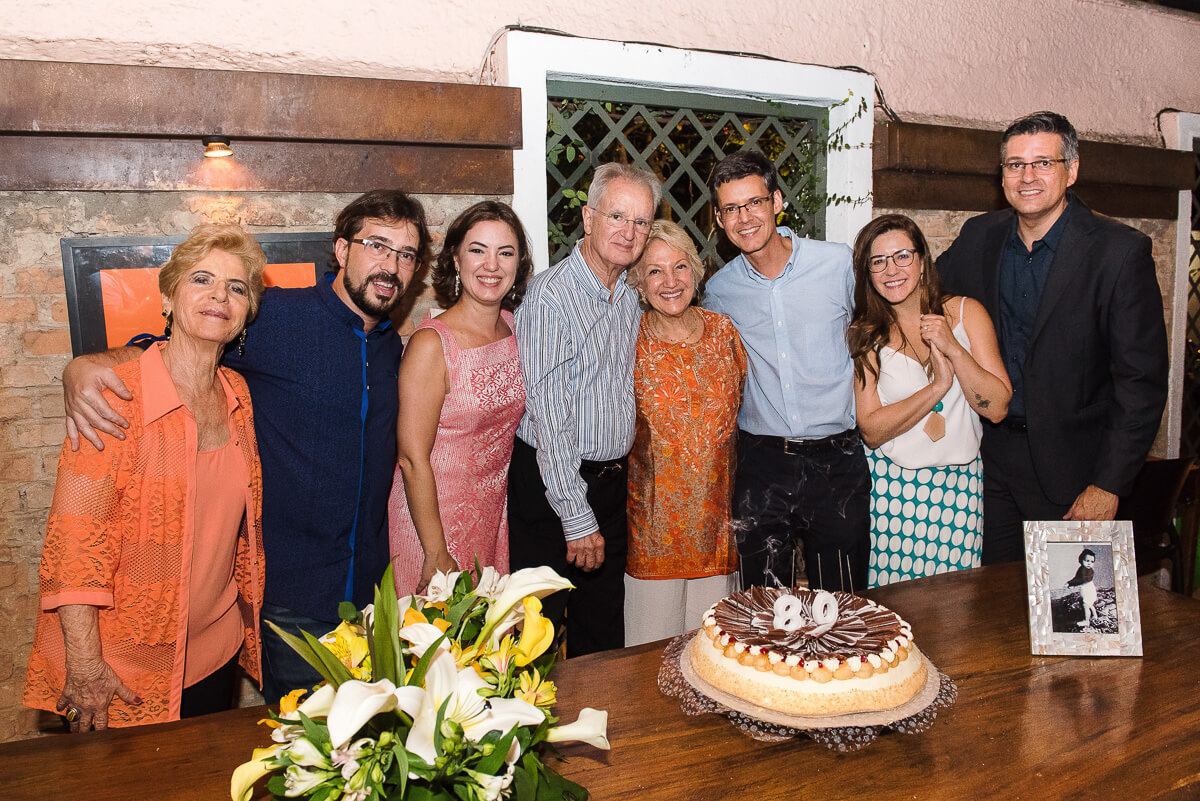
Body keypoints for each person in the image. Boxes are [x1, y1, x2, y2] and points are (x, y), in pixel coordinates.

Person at [58, 191, 432, 704]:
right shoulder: (275, 317)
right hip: (292, 601)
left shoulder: (393, 348)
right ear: (343, 250)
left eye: (406, 254)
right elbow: (179, 343)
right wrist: (84, 368)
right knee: (306, 743)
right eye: (377, 245)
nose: (390, 265)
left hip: (372, 595)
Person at [25, 224, 267, 730]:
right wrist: (85, 665)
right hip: (121, 667)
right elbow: (74, 548)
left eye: (237, 288)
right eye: (202, 279)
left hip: (217, 649)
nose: (219, 296)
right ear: (167, 298)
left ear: (247, 313)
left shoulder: (238, 395)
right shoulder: (116, 398)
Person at [937, 111, 1169, 564]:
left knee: (1078, 604)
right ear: (1001, 174)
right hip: (987, 466)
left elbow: (1141, 382)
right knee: (991, 602)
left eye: (1043, 162)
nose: (1027, 177)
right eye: (1015, 164)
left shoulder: (1120, 252)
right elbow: (922, 293)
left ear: (1072, 170)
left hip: (1076, 475)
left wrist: (1108, 484)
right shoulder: (979, 236)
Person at [508, 162, 662, 657]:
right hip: (552, 486)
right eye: (617, 216)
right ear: (588, 217)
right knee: (536, 641)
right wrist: (577, 517)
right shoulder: (551, 297)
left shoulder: (630, 295)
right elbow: (549, 419)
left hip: (610, 485)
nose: (629, 232)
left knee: (601, 639)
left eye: (641, 222)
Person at [703, 149, 870, 592]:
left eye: (754, 203)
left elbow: (879, 330)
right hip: (762, 462)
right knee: (765, 604)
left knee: (842, 599)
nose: (744, 218)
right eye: (731, 209)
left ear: (777, 201)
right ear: (719, 219)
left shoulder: (838, 264)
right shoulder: (719, 292)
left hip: (837, 460)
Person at [848, 215, 1011, 586]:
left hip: (959, 489)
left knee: (955, 604)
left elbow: (998, 407)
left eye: (902, 256)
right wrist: (937, 388)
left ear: (922, 261)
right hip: (892, 493)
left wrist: (953, 348)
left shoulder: (967, 313)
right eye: (878, 261)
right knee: (893, 606)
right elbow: (871, 430)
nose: (891, 269)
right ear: (868, 273)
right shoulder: (866, 334)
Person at [389, 201, 533, 594]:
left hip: (491, 518)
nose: (492, 265)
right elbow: (411, 458)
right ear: (456, 259)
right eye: (477, 250)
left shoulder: (515, 328)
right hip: (430, 525)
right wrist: (435, 551)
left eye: (505, 253)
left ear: (519, 263)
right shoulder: (431, 344)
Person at [622, 221, 747, 646]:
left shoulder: (725, 333)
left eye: (680, 267)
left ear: (696, 271)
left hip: (717, 535)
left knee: (713, 661)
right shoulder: (629, 340)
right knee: (649, 663)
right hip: (652, 537)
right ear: (639, 283)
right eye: (655, 271)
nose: (670, 281)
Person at [1067, 548, 1098, 628]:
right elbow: (1076, 578)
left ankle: (1086, 621)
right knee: (1089, 604)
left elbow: (1083, 580)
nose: (1089, 563)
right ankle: (1095, 615)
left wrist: (1072, 584)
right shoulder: (1081, 569)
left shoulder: (1090, 571)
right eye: (1087, 561)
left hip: (1089, 590)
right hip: (1084, 589)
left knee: (1086, 604)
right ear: (1081, 560)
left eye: (1092, 562)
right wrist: (1070, 583)